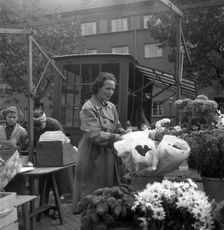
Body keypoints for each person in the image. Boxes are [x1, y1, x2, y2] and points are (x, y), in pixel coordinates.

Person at [72, 72, 126, 213]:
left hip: (108, 153)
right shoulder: (88, 107)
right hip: (92, 154)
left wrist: (125, 133)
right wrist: (116, 137)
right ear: (98, 88)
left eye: (113, 89)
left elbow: (117, 126)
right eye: (107, 88)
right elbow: (94, 135)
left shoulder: (111, 107)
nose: (110, 92)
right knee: (92, 191)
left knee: (108, 190)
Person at [33, 110, 74, 208]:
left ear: (45, 120)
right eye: (37, 126)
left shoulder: (53, 124)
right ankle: (44, 202)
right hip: (41, 155)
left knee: (59, 177)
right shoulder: (31, 127)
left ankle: (59, 201)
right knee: (43, 179)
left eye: (41, 124)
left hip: (57, 153)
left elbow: (63, 140)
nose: (39, 128)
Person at [0, 106, 28, 193]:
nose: (12, 119)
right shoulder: (0, 129)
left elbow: (26, 144)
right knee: (4, 184)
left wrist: (18, 148)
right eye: (9, 117)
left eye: (14, 117)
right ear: (5, 117)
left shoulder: (22, 130)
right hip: (1, 160)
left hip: (16, 160)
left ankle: (19, 200)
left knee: (18, 183)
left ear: (17, 118)